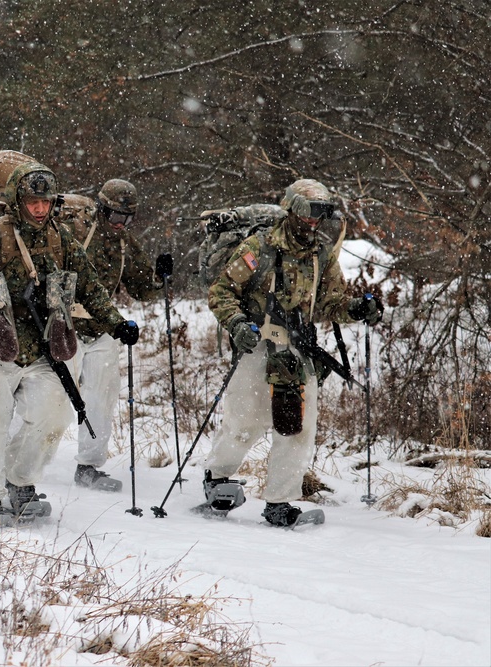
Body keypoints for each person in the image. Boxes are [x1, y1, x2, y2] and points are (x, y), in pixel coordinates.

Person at [0, 162, 141, 524]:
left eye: (45, 201)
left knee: (54, 415)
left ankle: (19, 481)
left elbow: (90, 287)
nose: (39, 208)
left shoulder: (62, 238)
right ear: (18, 200)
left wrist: (117, 325)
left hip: (44, 347)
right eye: (32, 201)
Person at [205, 178, 383, 526]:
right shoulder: (260, 247)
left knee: (297, 427)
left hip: (299, 349)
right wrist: (238, 323)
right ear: (293, 210)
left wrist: (358, 309)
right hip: (257, 343)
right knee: (244, 422)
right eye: (309, 214)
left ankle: (280, 502)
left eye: (320, 214)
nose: (314, 222)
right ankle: (217, 478)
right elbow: (221, 292)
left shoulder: (322, 254)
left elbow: (330, 303)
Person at [59, 180, 161, 492]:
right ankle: (24, 457)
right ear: (102, 209)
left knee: (101, 397)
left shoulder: (124, 243)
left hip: (103, 328)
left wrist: (161, 275)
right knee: (54, 397)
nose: (121, 224)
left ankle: (88, 465)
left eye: (128, 218)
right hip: (66, 323)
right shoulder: (74, 230)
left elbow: (143, 288)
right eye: (116, 216)